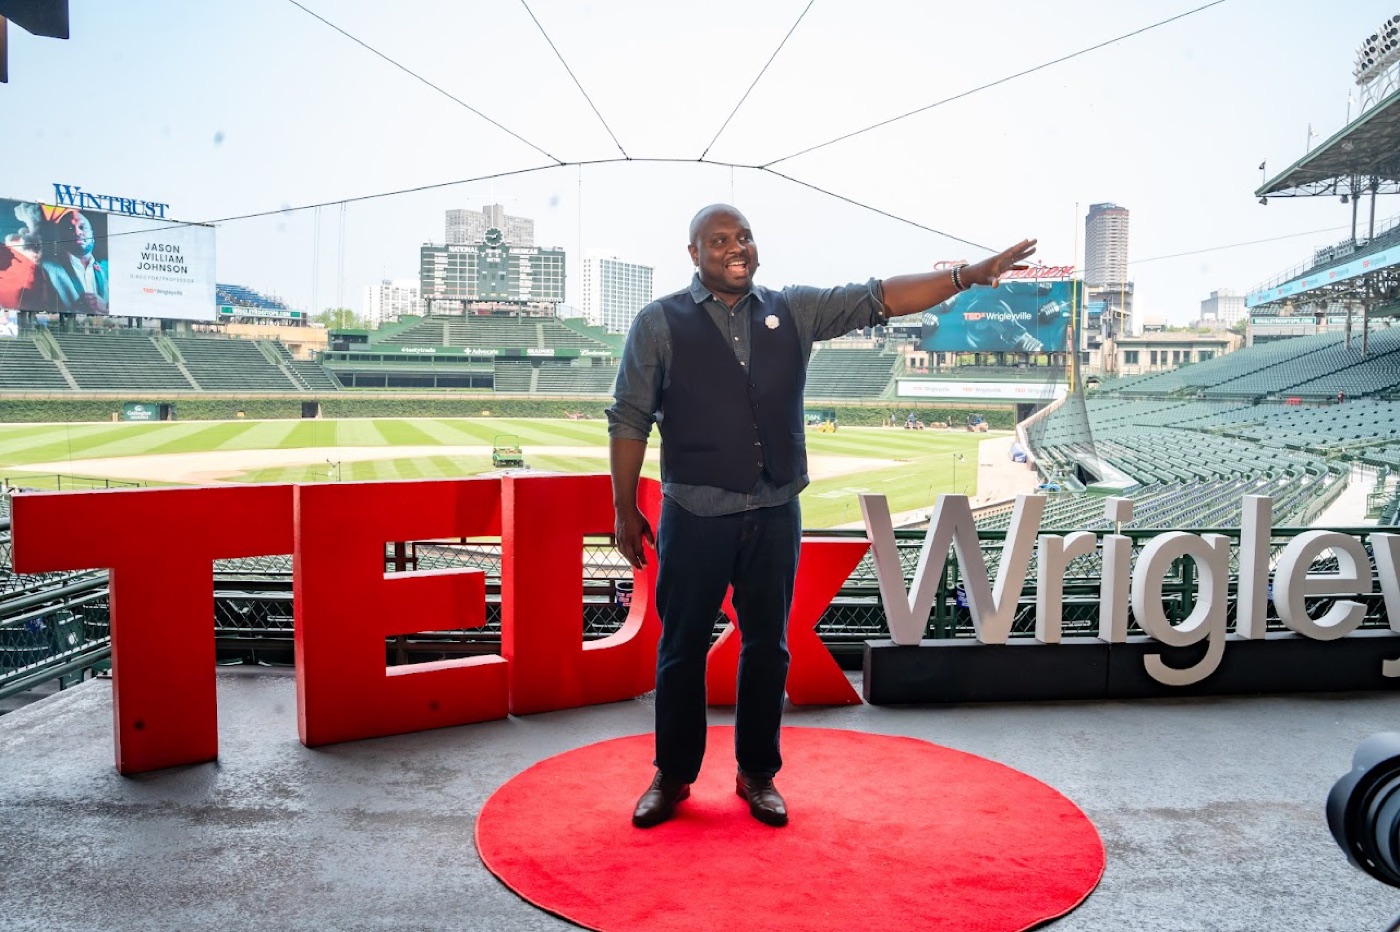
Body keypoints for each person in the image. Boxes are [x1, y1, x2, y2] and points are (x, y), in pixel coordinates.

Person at [607, 204, 1034, 829]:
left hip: (775, 509)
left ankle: (757, 774)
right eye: (720, 239)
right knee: (679, 650)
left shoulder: (794, 309)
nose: (737, 247)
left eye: (745, 236)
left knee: (769, 650)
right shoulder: (658, 322)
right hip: (695, 514)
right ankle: (673, 775)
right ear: (693, 253)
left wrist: (965, 276)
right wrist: (622, 509)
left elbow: (876, 298)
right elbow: (628, 418)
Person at [38, 208, 108, 315]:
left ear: (92, 234)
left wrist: (107, 308)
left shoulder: (108, 272)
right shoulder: (46, 269)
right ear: (62, 237)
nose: (77, 232)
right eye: (70, 228)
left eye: (82, 227)